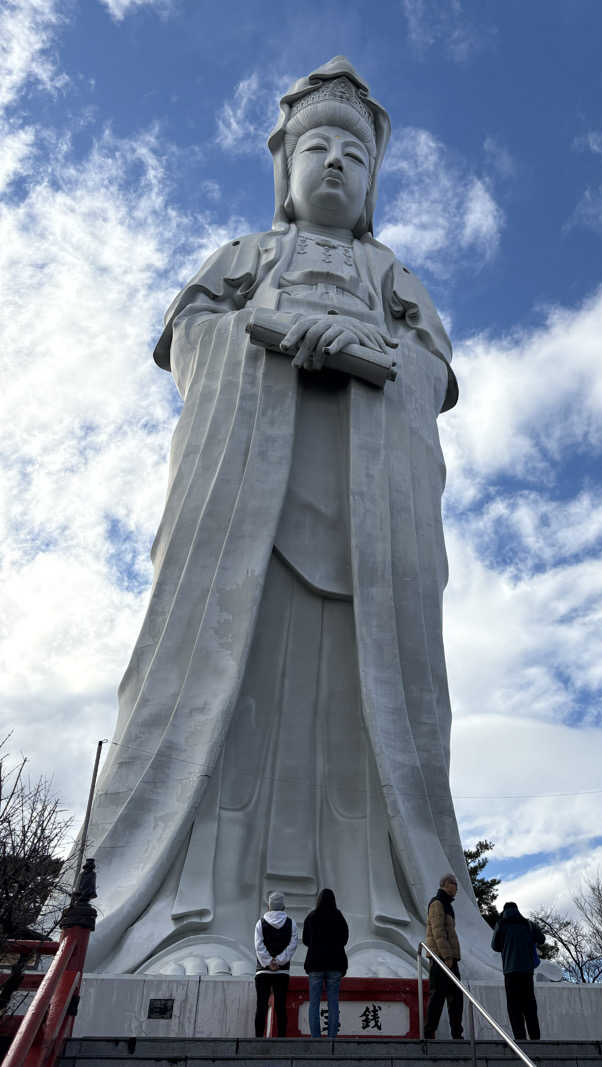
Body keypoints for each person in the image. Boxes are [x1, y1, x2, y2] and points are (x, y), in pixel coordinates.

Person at [80, 55, 497, 982]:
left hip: (364, 530)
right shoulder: (245, 259)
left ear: (375, 182)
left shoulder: (393, 278)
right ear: (285, 168)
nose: (337, 165)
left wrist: (370, 351)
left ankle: (389, 920)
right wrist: (270, 334)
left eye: (355, 152)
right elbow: (191, 340)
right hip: (245, 523)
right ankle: (193, 921)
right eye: (318, 146)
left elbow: (432, 375)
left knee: (363, 718)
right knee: (230, 702)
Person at [491, 901, 545, 1041]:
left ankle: (520, 1039)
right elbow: (542, 939)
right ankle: (535, 1039)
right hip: (527, 972)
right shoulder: (527, 924)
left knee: (514, 1007)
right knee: (530, 1006)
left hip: (510, 972)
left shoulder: (501, 925)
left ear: (504, 911)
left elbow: (495, 946)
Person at [302, 888, 349, 1038]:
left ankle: (316, 1038)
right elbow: (344, 939)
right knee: (333, 1003)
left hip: (315, 965)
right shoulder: (339, 917)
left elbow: (305, 940)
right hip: (335, 965)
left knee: (314, 1004)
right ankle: (331, 1038)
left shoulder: (312, 917)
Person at [423, 874, 463, 1040]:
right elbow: (438, 931)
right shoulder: (437, 903)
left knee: (456, 997)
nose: (457, 889)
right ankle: (428, 1031)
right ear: (446, 884)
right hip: (440, 957)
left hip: (449, 957)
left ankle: (457, 1034)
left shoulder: (447, 904)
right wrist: (447, 955)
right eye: (455, 884)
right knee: (438, 996)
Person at [254, 891, 299, 1037]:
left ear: (269, 906)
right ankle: (281, 1038)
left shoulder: (260, 923)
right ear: (283, 907)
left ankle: (258, 1036)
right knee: (280, 1006)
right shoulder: (291, 923)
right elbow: (293, 945)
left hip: (263, 972)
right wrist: (280, 961)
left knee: (261, 1005)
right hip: (282, 972)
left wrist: (268, 962)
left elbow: (258, 945)